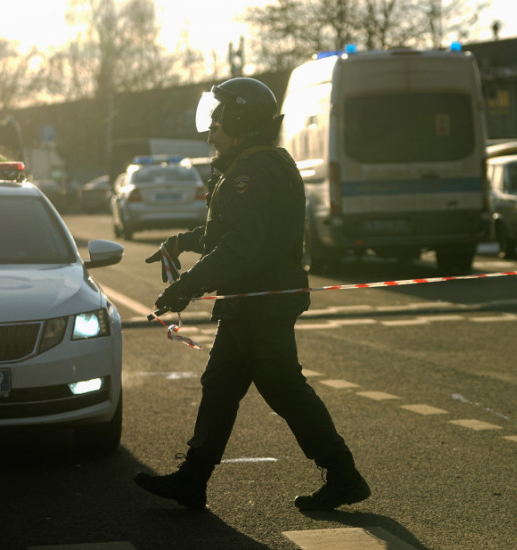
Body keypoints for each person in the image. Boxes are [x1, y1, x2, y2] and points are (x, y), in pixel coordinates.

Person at [134, 77, 370, 511]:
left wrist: (185, 287)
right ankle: (193, 479)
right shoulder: (258, 164)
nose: (211, 130)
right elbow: (234, 234)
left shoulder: (249, 173)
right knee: (221, 386)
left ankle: (343, 475)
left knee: (284, 390)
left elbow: (240, 247)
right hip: (252, 302)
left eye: (218, 119)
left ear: (240, 120)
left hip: (261, 302)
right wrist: (181, 241)